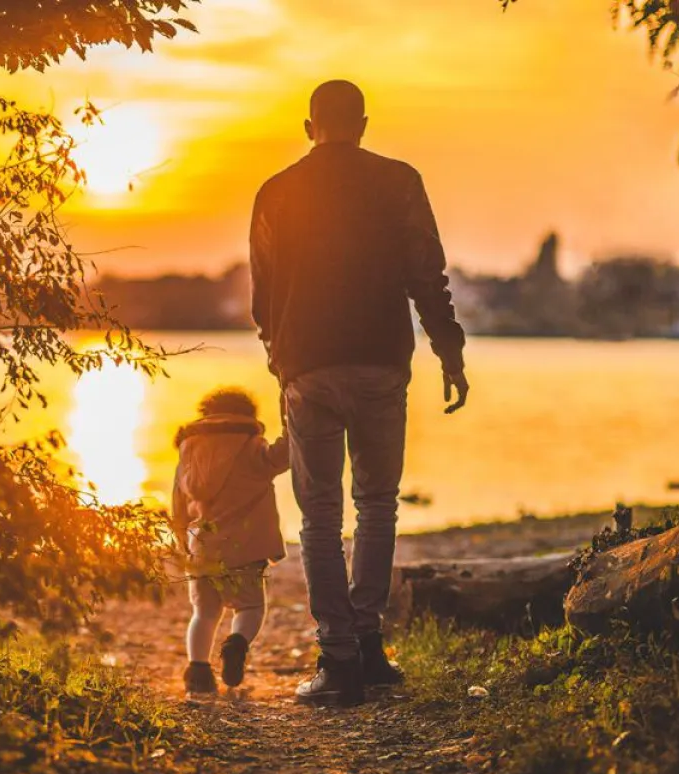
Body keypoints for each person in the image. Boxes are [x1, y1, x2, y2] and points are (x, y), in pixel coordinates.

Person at [250, 79, 469, 706]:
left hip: (308, 368)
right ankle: (369, 646)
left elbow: (263, 295)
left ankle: (339, 657)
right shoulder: (399, 181)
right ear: (364, 124)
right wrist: (448, 350)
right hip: (379, 360)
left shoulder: (275, 191)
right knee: (377, 503)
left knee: (319, 515)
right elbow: (427, 273)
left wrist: (279, 361)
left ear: (308, 126)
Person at [171, 387, 291, 695]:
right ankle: (237, 645)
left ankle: (198, 671)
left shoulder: (188, 450)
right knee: (249, 607)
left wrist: (182, 538)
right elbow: (286, 455)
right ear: (247, 416)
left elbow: (177, 503)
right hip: (246, 548)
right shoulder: (253, 446)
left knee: (205, 613)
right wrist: (290, 417)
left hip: (202, 548)